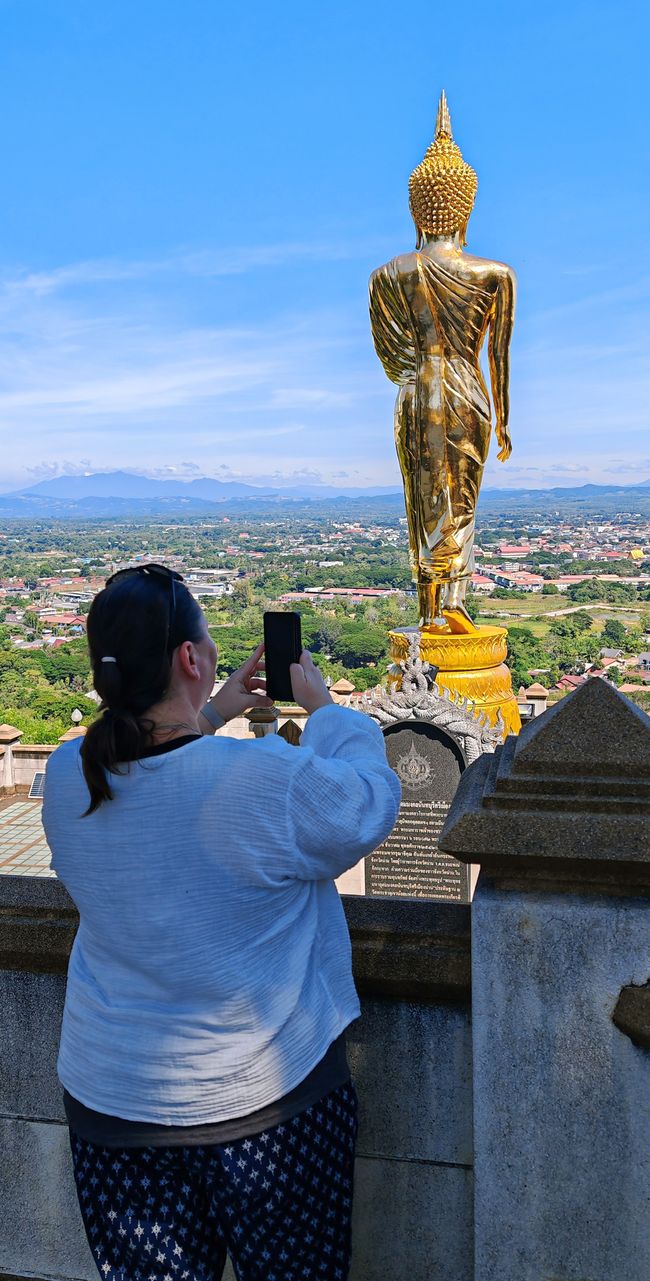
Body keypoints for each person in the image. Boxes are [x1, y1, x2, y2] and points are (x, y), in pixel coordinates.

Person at [42, 563, 400, 1281]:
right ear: (189, 656)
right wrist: (327, 710)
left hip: (113, 1106)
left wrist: (213, 709)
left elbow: (159, 775)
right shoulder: (260, 779)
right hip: (262, 1109)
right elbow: (369, 800)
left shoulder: (66, 775)